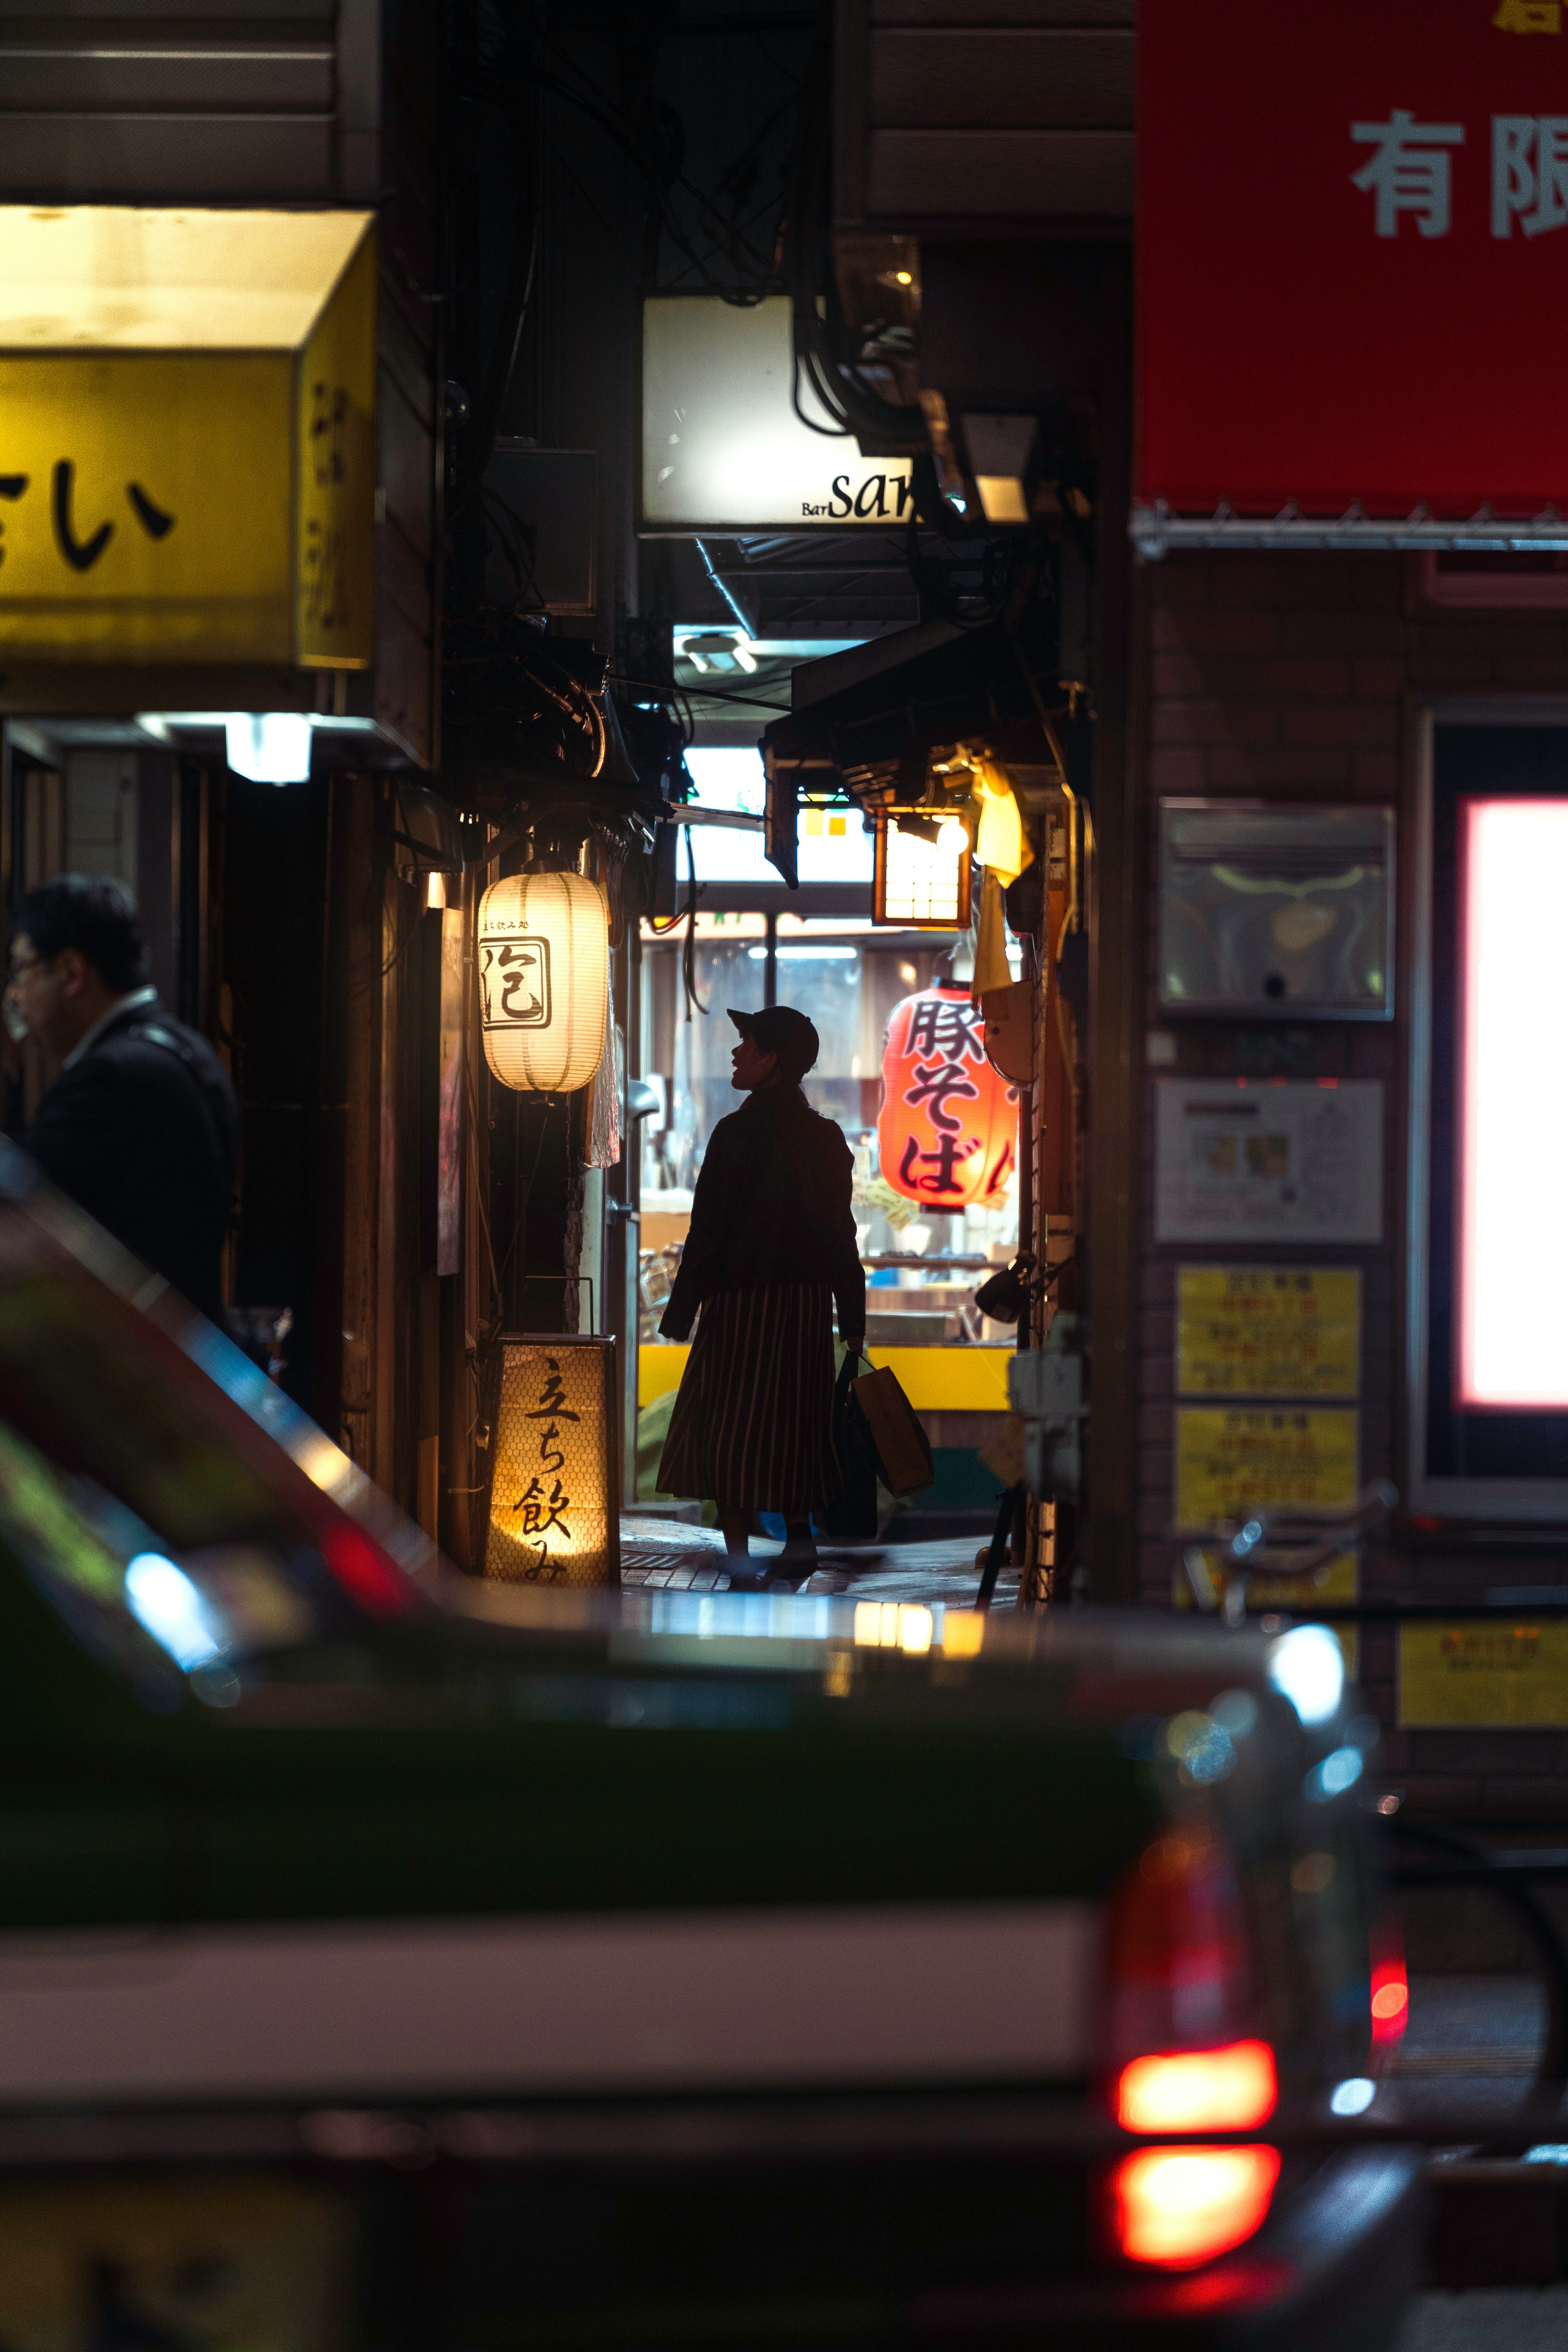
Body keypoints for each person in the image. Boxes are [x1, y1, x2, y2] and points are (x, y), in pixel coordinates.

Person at [657, 1003, 865, 1575]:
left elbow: (708, 1233)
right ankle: (800, 1536)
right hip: (803, 1307)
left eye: (746, 1042)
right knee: (796, 1421)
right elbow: (839, 1235)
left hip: (738, 1305)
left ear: (771, 1060)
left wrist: (680, 1314)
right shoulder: (825, 1137)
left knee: (732, 1429)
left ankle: (741, 1555)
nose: (735, 1051)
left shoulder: (734, 1134)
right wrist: (853, 1318)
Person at [5, 874, 238, 1328]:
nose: (13, 994)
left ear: (71, 972)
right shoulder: (185, 1048)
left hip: (136, 1372)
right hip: (190, 1348)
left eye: (20, 971)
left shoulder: (110, 1078)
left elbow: (18, 1212)